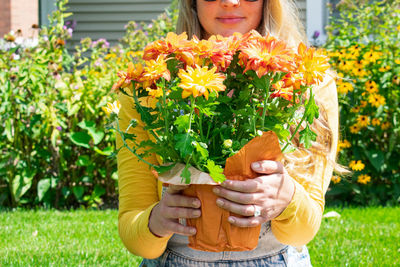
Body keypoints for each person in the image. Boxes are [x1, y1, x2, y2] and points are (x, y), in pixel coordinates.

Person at [116, 0, 339, 266]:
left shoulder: (311, 85)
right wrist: (155, 222)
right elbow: (135, 236)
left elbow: (303, 231)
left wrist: (288, 197)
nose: (230, 1)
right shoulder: (148, 91)